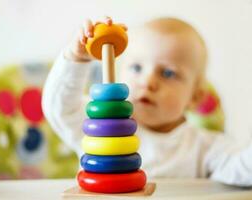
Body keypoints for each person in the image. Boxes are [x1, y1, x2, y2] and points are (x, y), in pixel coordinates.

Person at [42, 17, 252, 186]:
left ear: (194, 97)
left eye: (168, 73)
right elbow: (60, 110)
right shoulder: (98, 127)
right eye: (136, 68)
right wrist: (75, 59)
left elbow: (243, 170)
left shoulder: (205, 147)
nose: (148, 82)